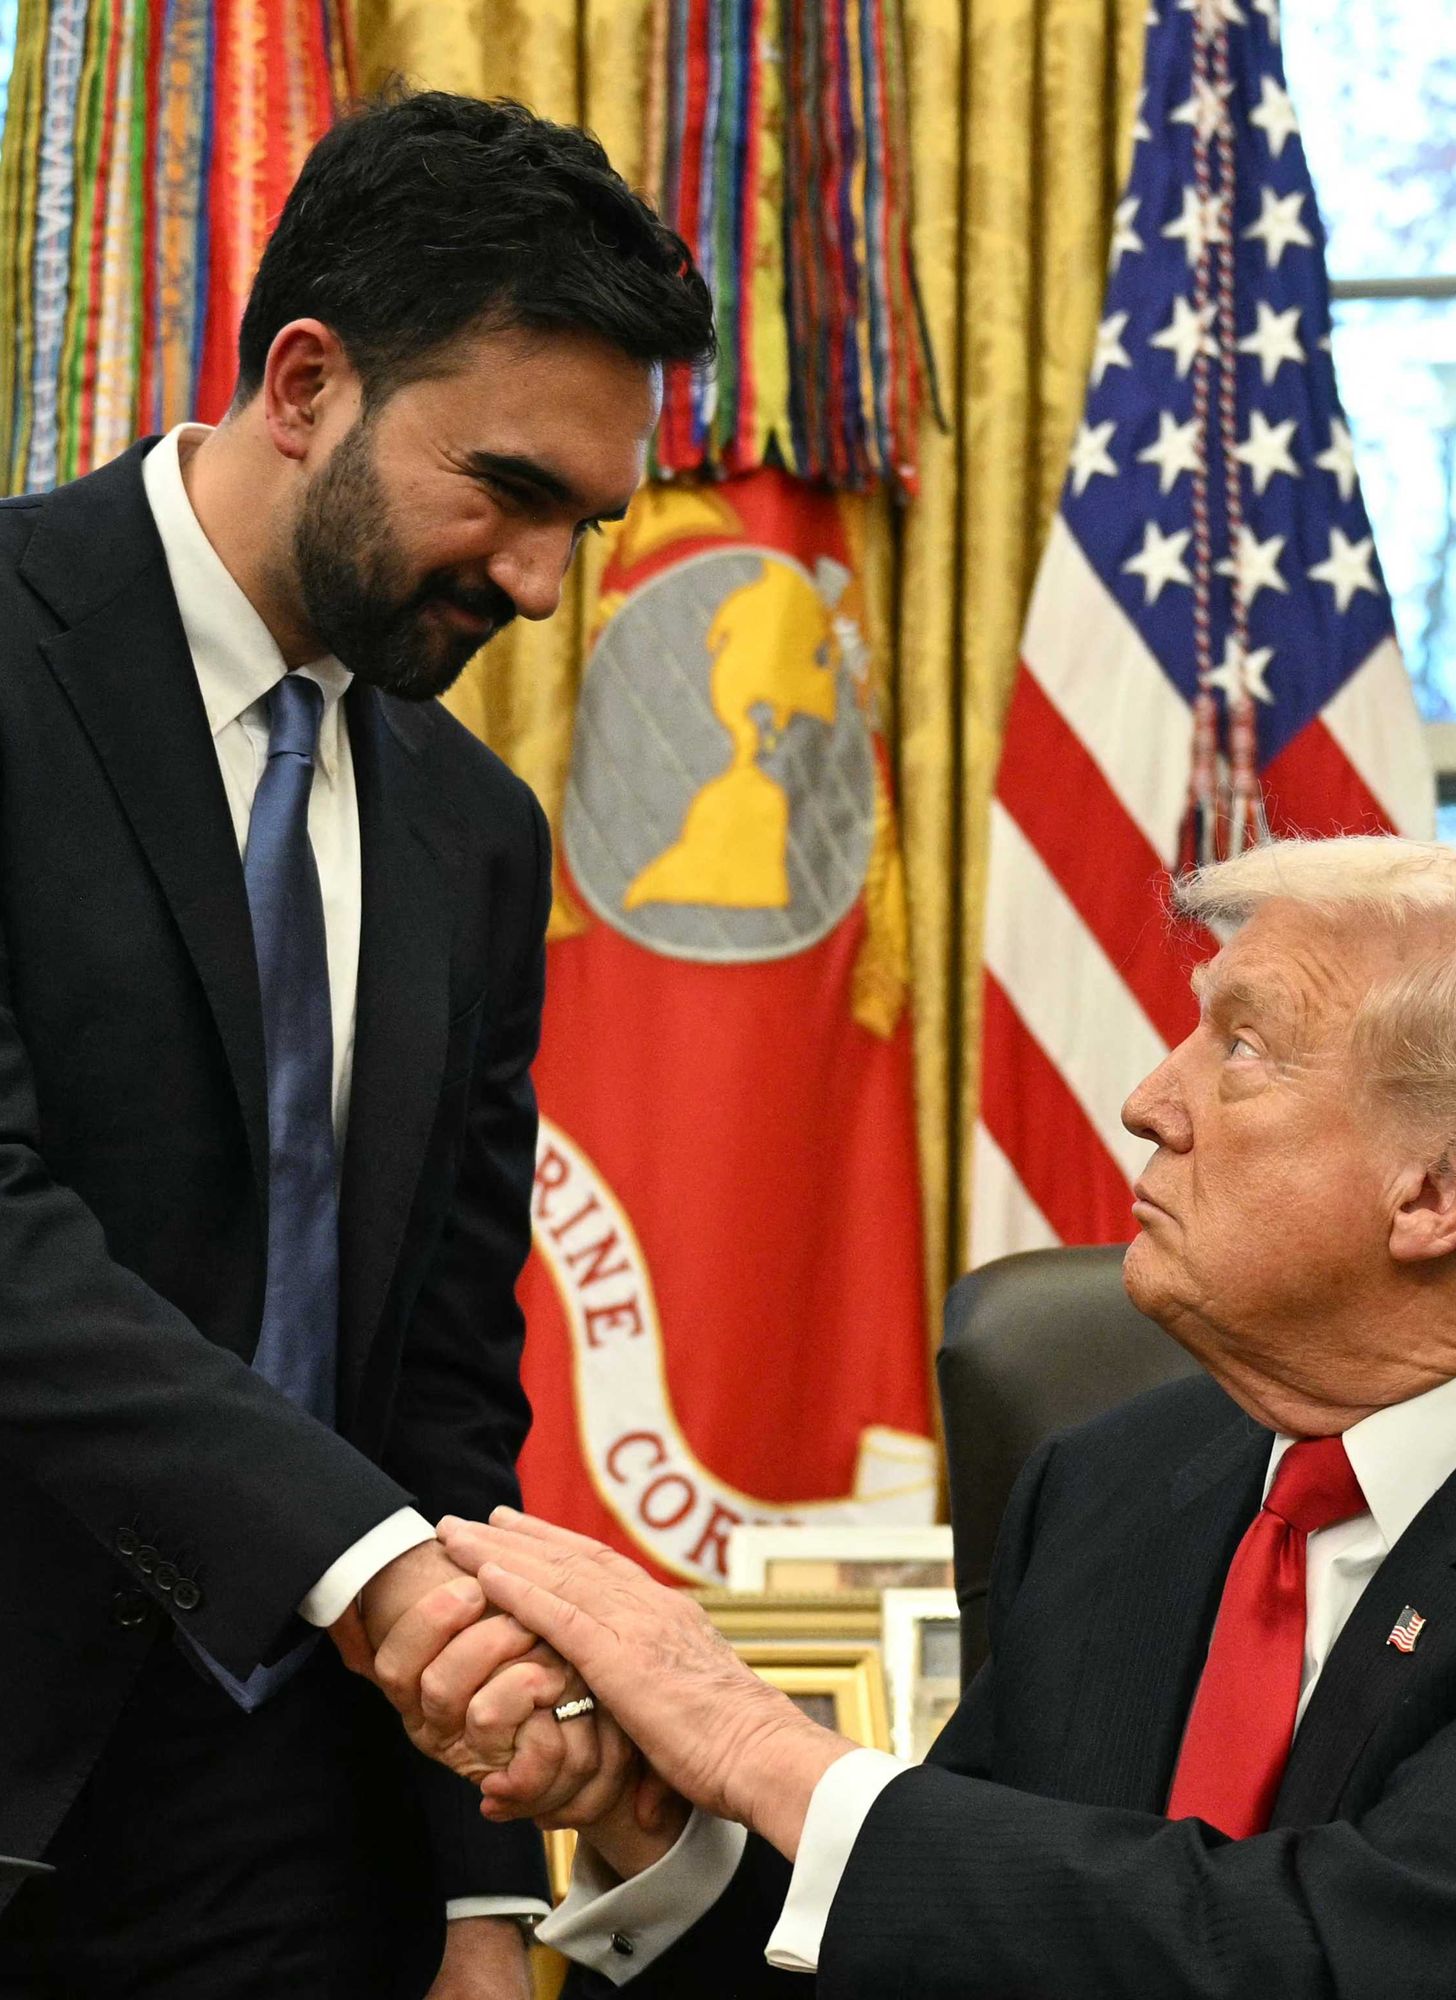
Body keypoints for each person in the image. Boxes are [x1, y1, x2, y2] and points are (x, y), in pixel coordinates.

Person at [0, 88, 713, 2000]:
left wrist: (480, 1887)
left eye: (583, 523)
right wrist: (366, 1565)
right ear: (307, 384)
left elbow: (444, 1375)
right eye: (508, 490)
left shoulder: (475, 831)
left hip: (303, 1838)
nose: (542, 581)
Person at [401, 834, 1456, 1995]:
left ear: (1436, 1192)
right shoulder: (1107, 1489)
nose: (1147, 1102)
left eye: (1242, 1046)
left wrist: (758, 1743)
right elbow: (972, 1945)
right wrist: (660, 1821)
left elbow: (1326, 1956)